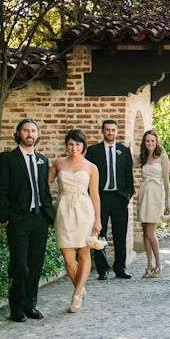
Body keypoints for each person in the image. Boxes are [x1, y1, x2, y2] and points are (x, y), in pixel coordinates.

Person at [0, 119, 57, 322]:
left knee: (35, 263)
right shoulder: (6, 159)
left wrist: (49, 215)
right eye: (26, 130)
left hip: (39, 218)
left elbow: (44, 191)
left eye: (33, 131)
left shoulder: (42, 160)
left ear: (37, 135)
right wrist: (6, 218)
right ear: (18, 133)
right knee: (19, 265)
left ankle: (30, 305)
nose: (30, 134)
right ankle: (16, 308)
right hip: (18, 219)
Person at [48, 129, 102, 313]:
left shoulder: (91, 167)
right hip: (63, 210)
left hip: (84, 211)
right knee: (68, 259)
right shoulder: (59, 163)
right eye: (71, 144)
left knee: (83, 253)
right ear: (66, 144)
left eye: (78, 144)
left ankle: (76, 294)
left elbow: (94, 194)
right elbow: (44, 181)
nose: (74, 147)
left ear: (83, 146)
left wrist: (98, 219)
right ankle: (80, 288)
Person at [86, 120, 135, 280]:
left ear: (116, 131)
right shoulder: (93, 151)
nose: (110, 133)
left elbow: (129, 174)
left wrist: (129, 193)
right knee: (99, 233)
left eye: (113, 130)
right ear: (102, 131)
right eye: (107, 130)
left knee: (120, 233)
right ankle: (102, 269)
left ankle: (120, 268)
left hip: (119, 197)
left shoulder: (124, 151)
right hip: (100, 197)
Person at [136, 130, 170, 278]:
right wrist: (124, 148)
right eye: (147, 141)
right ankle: (149, 265)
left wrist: (167, 202)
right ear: (144, 142)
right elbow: (126, 162)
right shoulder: (142, 157)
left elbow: (166, 181)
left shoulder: (162, 157)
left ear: (156, 142)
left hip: (156, 195)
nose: (150, 143)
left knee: (150, 233)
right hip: (144, 194)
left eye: (152, 141)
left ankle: (158, 264)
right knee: (145, 232)